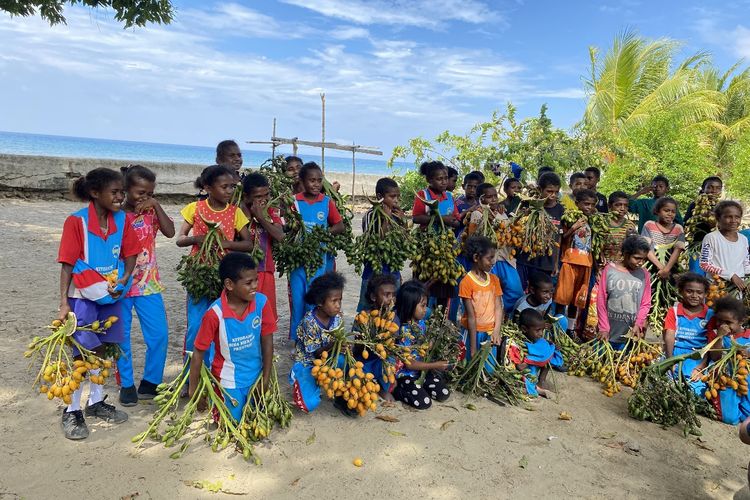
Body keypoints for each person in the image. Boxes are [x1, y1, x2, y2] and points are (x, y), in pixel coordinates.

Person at [57, 168, 140, 440]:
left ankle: (95, 402)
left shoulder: (124, 220)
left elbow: (131, 254)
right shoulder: (76, 222)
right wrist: (63, 303)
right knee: (81, 352)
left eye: (122, 192)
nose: (120, 197)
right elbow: (68, 264)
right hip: (81, 297)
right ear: (95, 193)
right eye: (114, 192)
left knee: (104, 349)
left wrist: (125, 278)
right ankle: (71, 410)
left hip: (111, 295)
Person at [176, 165, 253, 360]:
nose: (229, 191)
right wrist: (196, 239)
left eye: (232, 187)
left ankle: (212, 372)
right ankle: (189, 374)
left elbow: (248, 244)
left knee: (219, 322)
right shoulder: (195, 208)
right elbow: (180, 239)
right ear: (208, 188)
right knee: (195, 324)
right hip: (199, 274)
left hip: (223, 275)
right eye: (224, 187)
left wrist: (226, 243)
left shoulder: (235, 213)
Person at [188, 253, 275, 422]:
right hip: (228, 380)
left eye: (256, 280)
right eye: (248, 283)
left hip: (255, 375)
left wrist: (265, 379)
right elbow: (198, 352)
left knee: (255, 419)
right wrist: (194, 390)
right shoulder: (214, 314)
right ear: (229, 284)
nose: (255, 286)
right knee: (233, 423)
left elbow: (267, 340)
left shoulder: (262, 303)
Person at [117, 165, 175, 406]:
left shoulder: (151, 213)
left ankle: (151, 382)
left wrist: (157, 206)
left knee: (159, 335)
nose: (144, 197)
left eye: (149, 193)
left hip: (148, 283)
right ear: (125, 190)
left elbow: (171, 232)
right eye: (140, 192)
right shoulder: (116, 215)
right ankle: (126, 384)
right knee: (121, 335)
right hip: (120, 283)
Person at [288, 162, 345, 339]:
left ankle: (314, 336)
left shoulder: (327, 202)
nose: (315, 184)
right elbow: (288, 226)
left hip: (318, 260)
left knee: (314, 299)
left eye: (319, 180)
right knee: (298, 300)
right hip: (297, 260)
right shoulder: (294, 201)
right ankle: (298, 339)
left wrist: (323, 234)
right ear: (302, 181)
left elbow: (339, 225)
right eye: (311, 180)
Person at [289, 272, 347, 414]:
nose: (338, 305)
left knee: (345, 361)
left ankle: (339, 395)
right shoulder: (309, 322)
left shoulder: (337, 319)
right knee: (309, 404)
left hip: (330, 360)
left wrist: (344, 347)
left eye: (340, 300)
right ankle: (300, 382)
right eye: (334, 301)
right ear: (320, 302)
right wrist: (334, 345)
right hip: (310, 363)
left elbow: (340, 345)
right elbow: (315, 353)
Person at [393, 280, 451, 409]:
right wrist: (435, 365)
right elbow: (409, 364)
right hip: (406, 374)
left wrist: (429, 344)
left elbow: (422, 348)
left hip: (421, 372)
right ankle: (397, 391)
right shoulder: (404, 331)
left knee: (444, 393)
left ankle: (420, 387)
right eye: (423, 306)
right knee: (424, 403)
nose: (426, 310)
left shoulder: (421, 323)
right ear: (410, 305)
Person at [412, 161, 461, 308]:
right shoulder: (423, 195)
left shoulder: (450, 196)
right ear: (429, 180)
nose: (444, 182)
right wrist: (441, 220)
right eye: (440, 179)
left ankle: (439, 321)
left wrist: (453, 222)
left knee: (444, 287)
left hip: (446, 248)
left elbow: (457, 219)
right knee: (425, 286)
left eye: (446, 178)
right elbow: (416, 217)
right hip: (427, 247)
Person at [469, 183, 523, 312]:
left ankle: (504, 316)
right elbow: (472, 237)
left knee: (515, 291)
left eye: (495, 196)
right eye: (489, 197)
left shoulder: (501, 212)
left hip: (505, 259)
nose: (493, 199)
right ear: (481, 199)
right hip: (488, 261)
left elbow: (507, 232)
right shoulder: (477, 214)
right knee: (487, 293)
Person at [241, 172, 285, 324]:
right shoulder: (238, 212)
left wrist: (261, 218)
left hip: (265, 270)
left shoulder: (271, 211)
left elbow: (279, 236)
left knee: (265, 316)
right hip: (242, 273)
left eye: (266, 194)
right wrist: (248, 215)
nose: (264, 199)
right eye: (258, 197)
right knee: (245, 315)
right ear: (246, 197)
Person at [357, 177, 404, 312]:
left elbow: (403, 242)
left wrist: (402, 222)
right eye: (392, 196)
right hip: (373, 272)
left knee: (391, 308)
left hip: (392, 271)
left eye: (397, 197)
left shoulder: (396, 215)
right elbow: (375, 244)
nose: (396, 200)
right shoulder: (370, 216)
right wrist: (386, 220)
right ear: (380, 197)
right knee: (368, 309)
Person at [554, 189, 597, 337]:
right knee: (563, 297)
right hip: (569, 261)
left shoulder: (594, 221)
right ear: (577, 203)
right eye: (586, 204)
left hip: (586, 263)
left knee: (576, 299)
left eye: (592, 205)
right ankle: (558, 329)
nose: (589, 207)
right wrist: (574, 227)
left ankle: (570, 329)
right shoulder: (569, 217)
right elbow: (562, 238)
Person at [596, 235, 652, 348]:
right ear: (626, 254)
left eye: (643, 259)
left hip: (630, 333)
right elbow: (601, 299)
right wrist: (604, 327)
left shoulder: (643, 274)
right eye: (637, 258)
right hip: (608, 332)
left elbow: (645, 303)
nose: (641, 263)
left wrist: (638, 324)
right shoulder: (609, 270)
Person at [459, 235, 504, 373]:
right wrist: (472, 348)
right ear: (476, 258)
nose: (493, 262)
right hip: (472, 332)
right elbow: (471, 317)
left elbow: (498, 307)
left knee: (488, 372)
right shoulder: (466, 282)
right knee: (469, 367)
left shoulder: (494, 280)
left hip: (490, 332)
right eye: (489, 258)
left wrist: (496, 331)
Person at [663, 272, 712, 395]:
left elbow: (710, 345)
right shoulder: (673, 311)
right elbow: (669, 336)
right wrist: (669, 361)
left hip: (698, 357)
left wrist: (700, 368)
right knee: (663, 385)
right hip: (675, 354)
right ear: (681, 291)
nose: (694, 295)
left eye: (699, 293)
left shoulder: (710, 315)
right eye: (689, 291)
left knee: (696, 391)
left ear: (705, 294)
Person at [516, 172, 565, 289]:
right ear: (539, 189)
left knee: (541, 295)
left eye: (556, 192)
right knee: (521, 291)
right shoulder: (529, 204)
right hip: (525, 260)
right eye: (549, 191)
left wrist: (556, 263)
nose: (553, 195)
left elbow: (559, 238)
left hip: (546, 262)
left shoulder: (560, 210)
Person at [706, 296, 750, 424]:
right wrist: (719, 337)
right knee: (730, 418)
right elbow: (715, 357)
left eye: (728, 322)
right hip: (725, 380)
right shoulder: (715, 334)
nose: (723, 326)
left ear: (741, 321)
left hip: (746, 380)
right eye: (719, 321)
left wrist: (747, 353)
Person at [507, 309, 564, 398]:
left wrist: (551, 346)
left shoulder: (537, 340)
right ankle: (533, 388)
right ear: (524, 329)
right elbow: (517, 364)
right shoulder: (516, 342)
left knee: (548, 349)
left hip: (530, 371)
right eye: (537, 330)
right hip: (519, 373)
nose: (541, 334)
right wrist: (526, 361)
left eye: (542, 330)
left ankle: (541, 381)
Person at [700, 200, 750, 290]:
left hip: (738, 288)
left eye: (737, 217)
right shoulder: (711, 238)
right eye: (728, 217)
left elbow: (746, 263)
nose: (733, 220)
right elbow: (705, 264)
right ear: (718, 218)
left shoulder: (743, 239)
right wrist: (730, 275)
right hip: (717, 288)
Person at [641, 197, 685, 280]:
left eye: (673, 212)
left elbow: (678, 249)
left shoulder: (678, 228)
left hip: (671, 268)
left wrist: (667, 269)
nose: (670, 214)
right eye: (666, 210)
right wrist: (661, 268)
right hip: (651, 267)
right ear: (657, 211)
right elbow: (647, 248)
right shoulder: (649, 225)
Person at [602, 191, 637, 263]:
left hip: (623, 266)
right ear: (609, 206)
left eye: (626, 205)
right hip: (604, 265)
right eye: (618, 205)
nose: (622, 208)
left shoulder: (630, 225)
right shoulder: (602, 223)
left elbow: (633, 248)